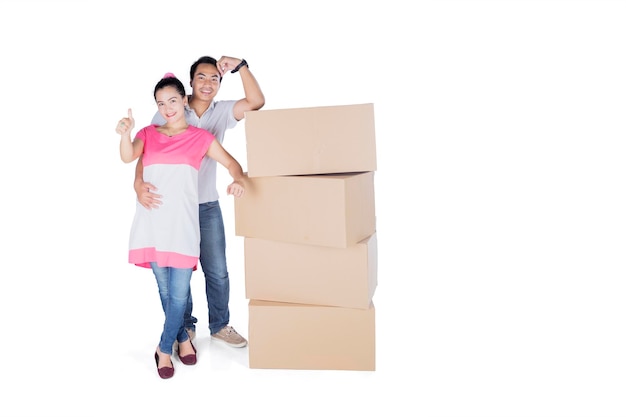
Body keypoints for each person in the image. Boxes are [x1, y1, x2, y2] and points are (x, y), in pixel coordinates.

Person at [117, 73, 246, 379]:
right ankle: (183, 338)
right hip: (151, 222)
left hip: (183, 226)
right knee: (165, 290)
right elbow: (127, 156)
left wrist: (238, 179)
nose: (167, 108)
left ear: (184, 100)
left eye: (173, 100)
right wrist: (125, 133)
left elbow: (231, 163)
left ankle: (164, 347)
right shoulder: (148, 133)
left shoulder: (201, 139)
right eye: (161, 103)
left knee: (178, 293)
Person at [133, 56, 265, 348]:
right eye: (201, 78)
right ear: (190, 82)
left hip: (206, 204)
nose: (207, 84)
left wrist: (241, 65)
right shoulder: (172, 109)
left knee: (217, 269)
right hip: (172, 207)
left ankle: (219, 325)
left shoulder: (221, 112)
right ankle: (185, 326)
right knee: (179, 268)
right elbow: (146, 150)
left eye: (214, 79)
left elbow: (256, 101)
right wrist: (137, 184)